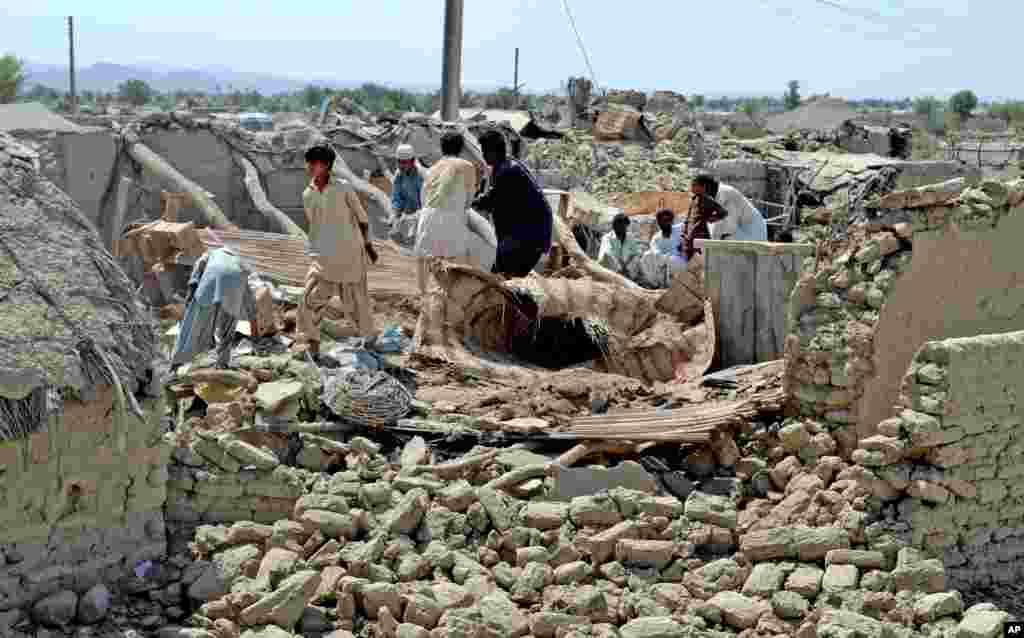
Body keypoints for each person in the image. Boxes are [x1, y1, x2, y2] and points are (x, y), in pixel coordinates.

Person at [296, 145, 378, 357]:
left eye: (312, 162)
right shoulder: (308, 194)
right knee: (309, 300)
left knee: (356, 303)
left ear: (325, 165)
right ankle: (312, 346)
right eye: (308, 162)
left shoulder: (343, 188)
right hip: (323, 258)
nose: (309, 167)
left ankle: (370, 342)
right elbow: (314, 225)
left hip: (349, 255)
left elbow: (361, 218)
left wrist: (369, 246)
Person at [415, 132, 495, 293]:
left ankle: (422, 295)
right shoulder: (466, 166)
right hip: (451, 216)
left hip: (427, 215)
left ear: (441, 148)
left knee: (424, 258)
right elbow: (468, 201)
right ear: (461, 149)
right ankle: (448, 295)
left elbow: (423, 196)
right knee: (452, 260)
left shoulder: (433, 168)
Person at [472, 130, 553, 278]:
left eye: (485, 152)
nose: (483, 156)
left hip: (528, 236)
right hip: (526, 235)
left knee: (497, 271)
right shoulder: (504, 166)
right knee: (505, 276)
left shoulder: (508, 171)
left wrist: (468, 203)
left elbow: (491, 200)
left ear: (494, 151)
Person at [171, 241, 257, 370]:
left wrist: (192, 288)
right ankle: (222, 363)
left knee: (193, 325)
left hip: (209, 284)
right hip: (233, 287)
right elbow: (247, 292)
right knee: (227, 330)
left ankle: (178, 362)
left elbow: (198, 266)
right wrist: (252, 317)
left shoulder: (213, 252)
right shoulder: (242, 262)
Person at [689, 174, 768, 242]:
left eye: (694, 185)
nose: (692, 190)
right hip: (740, 230)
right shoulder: (716, 196)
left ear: (705, 186)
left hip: (751, 231)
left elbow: (729, 225)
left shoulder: (727, 193)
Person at [637, 208, 687, 287]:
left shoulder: (679, 228)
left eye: (668, 220)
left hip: (678, 261)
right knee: (646, 256)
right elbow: (655, 252)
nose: (665, 223)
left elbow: (690, 222)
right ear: (659, 222)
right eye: (662, 220)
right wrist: (665, 258)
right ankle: (655, 284)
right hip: (662, 261)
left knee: (676, 261)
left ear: (672, 220)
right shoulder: (656, 237)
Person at [597, 213, 643, 278]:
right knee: (607, 257)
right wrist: (620, 266)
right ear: (615, 226)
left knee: (636, 258)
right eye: (621, 226)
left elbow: (635, 252)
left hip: (626, 266)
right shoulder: (607, 238)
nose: (624, 228)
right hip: (612, 267)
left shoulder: (630, 236)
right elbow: (609, 253)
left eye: (625, 226)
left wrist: (625, 265)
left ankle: (630, 276)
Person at [391, 144, 423, 215]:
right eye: (399, 161)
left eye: (404, 162)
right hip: (407, 215)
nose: (401, 165)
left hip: (421, 215)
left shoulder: (421, 175)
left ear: (412, 162)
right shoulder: (398, 175)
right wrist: (396, 210)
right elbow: (396, 197)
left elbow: (425, 200)